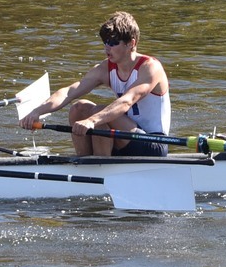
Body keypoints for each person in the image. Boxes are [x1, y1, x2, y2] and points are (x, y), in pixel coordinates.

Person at [21, 11, 172, 157]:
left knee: (98, 113)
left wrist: (92, 120)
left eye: (113, 42)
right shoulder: (106, 68)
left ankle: (100, 166)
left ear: (131, 43)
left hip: (153, 143)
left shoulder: (150, 68)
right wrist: (37, 111)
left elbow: (126, 102)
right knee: (79, 108)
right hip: (125, 137)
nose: (107, 47)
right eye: (105, 41)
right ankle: (84, 163)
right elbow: (69, 92)